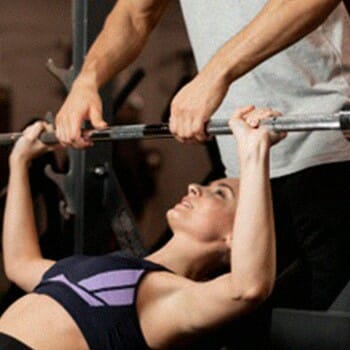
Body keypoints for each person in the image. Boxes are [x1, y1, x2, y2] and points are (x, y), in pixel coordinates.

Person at [55, 0, 350, 310]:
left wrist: (215, 73)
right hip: (244, 167)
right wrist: (87, 80)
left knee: (322, 325)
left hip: (325, 151)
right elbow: (135, 12)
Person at [0, 107, 283, 350]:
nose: (195, 187)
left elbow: (247, 288)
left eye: (220, 194)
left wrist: (254, 152)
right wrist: (20, 162)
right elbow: (20, 263)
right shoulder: (117, 267)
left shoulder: (174, 299)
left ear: (233, 237)